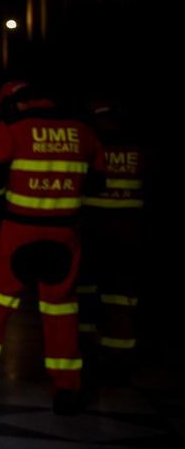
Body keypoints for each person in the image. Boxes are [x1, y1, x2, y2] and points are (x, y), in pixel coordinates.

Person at [0, 81, 103, 415]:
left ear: (14, 105)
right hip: (64, 236)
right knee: (61, 311)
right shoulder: (83, 132)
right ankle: (66, 388)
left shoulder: (12, 129)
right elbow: (98, 182)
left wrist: (2, 203)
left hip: (18, 232)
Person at [77, 99, 145, 379]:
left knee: (86, 294)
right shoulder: (138, 149)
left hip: (91, 233)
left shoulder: (91, 147)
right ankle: (119, 356)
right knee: (121, 298)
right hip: (128, 236)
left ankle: (86, 350)